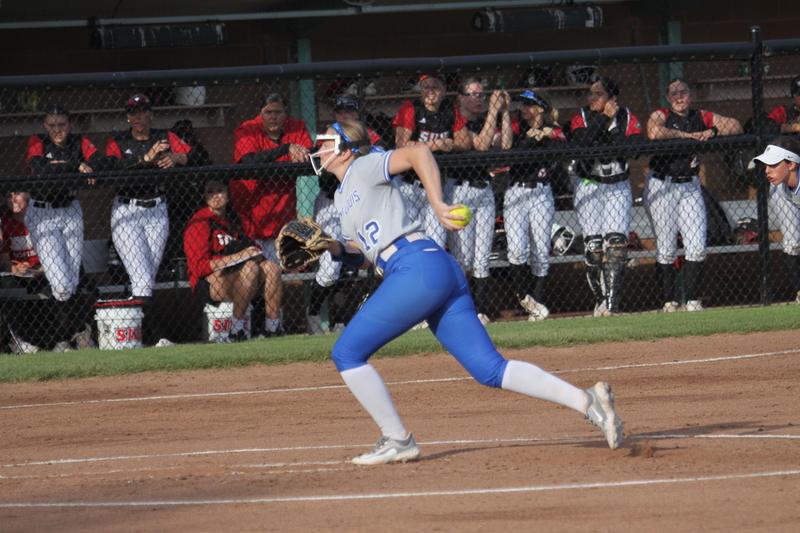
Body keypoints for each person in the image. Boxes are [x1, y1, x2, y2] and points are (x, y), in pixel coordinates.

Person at [310, 120, 623, 465]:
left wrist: (439, 204)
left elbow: (419, 152)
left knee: (347, 353)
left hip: (415, 267)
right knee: (490, 369)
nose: (318, 147)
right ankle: (586, 401)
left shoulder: (364, 165)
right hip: (429, 268)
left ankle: (398, 439)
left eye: (326, 141)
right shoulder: (341, 195)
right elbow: (365, 256)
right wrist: (331, 246)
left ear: (346, 149)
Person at [104, 94, 201, 345]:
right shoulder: (117, 140)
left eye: (142, 111)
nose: (137, 116)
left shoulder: (166, 137)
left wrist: (179, 158)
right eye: (132, 111)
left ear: (151, 114)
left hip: (157, 209)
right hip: (127, 211)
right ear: (127, 116)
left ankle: (135, 338)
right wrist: (146, 159)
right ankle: (157, 337)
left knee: (146, 278)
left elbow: (202, 157)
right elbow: (112, 172)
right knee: (142, 278)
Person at [645, 78, 743, 312]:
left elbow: (736, 125)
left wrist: (711, 131)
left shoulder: (700, 115)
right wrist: (688, 136)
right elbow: (653, 132)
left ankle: (691, 301)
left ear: (691, 96)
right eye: (674, 94)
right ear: (668, 98)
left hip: (690, 186)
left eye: (684, 92)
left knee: (697, 246)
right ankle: (669, 302)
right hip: (662, 185)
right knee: (667, 248)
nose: (679, 97)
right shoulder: (662, 114)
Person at [231, 92, 313, 336]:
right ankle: (244, 327)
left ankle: (272, 327)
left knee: (274, 275)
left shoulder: (297, 127)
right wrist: (286, 149)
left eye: (278, 111)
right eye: (268, 111)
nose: (273, 116)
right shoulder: (247, 129)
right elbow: (249, 161)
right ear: (260, 113)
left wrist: (295, 151)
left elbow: (310, 156)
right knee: (252, 275)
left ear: (285, 113)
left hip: (281, 215)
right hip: (250, 215)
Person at [307, 96, 383, 335]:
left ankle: (340, 321)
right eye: (339, 111)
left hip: (358, 200)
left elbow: (380, 151)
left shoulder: (366, 136)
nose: (343, 115)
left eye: (349, 111)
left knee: (351, 264)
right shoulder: (329, 138)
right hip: (331, 201)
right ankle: (313, 312)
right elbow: (317, 157)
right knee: (329, 271)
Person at [24, 104, 99, 347]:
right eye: (52, 125)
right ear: (45, 126)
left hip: (71, 210)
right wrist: (76, 165)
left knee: (72, 281)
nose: (57, 130)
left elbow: (99, 158)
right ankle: (70, 333)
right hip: (43, 212)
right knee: (60, 283)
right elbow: (42, 170)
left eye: (62, 125)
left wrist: (90, 165)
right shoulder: (38, 140)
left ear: (70, 124)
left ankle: (67, 339)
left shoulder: (79, 140)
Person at [569, 77, 643, 317]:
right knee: (594, 248)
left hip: (618, 185)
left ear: (612, 99)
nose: (592, 98)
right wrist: (604, 118)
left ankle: (611, 306)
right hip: (589, 185)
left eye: (598, 94)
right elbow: (583, 144)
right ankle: (600, 301)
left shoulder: (628, 116)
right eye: (591, 94)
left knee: (617, 245)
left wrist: (612, 126)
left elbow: (634, 149)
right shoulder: (580, 115)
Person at [183, 180, 283, 343]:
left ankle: (273, 328)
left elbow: (254, 249)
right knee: (250, 267)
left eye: (220, 190)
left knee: (272, 267)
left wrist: (255, 254)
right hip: (209, 281)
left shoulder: (238, 220)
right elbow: (199, 268)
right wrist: (237, 257)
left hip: (243, 275)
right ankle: (236, 331)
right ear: (204, 196)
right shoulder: (199, 222)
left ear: (228, 194)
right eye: (210, 192)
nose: (216, 196)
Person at [448, 78, 511, 325]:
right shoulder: (455, 119)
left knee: (482, 257)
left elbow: (505, 145)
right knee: (463, 258)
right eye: (474, 94)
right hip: (459, 191)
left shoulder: (485, 120)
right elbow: (481, 145)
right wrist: (493, 111)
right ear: (461, 97)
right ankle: (461, 310)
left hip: (484, 191)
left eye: (482, 96)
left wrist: (504, 112)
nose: (480, 99)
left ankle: (481, 311)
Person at [504, 90, 568, 322]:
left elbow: (564, 150)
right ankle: (524, 296)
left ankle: (535, 306)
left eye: (530, 104)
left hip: (542, 192)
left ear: (541, 108)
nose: (523, 108)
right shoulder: (516, 126)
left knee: (540, 252)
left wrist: (546, 135)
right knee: (517, 249)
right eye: (522, 103)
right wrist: (532, 138)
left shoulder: (553, 128)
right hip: (516, 192)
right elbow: (512, 156)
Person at [1, 192, 92, 352]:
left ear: (28, 195)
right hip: (21, 272)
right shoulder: (5, 222)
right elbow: (6, 259)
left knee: (58, 284)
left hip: (43, 269)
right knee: (9, 286)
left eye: (17, 194)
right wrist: (14, 268)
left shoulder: (38, 217)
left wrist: (40, 270)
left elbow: (54, 250)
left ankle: (63, 339)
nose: (13, 199)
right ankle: (19, 340)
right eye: (9, 195)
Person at [393, 74, 471, 247]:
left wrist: (451, 145)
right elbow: (400, 144)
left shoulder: (449, 109)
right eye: (426, 87)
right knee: (410, 241)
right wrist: (435, 144)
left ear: (443, 90)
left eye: (435, 87)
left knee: (437, 241)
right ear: (420, 90)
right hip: (409, 185)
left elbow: (465, 142)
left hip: (435, 186)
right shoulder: (411, 107)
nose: (430, 91)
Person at [765, 76, 800, 303]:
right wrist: (793, 127)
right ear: (794, 96)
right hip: (785, 183)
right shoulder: (783, 112)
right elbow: (766, 128)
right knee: (793, 241)